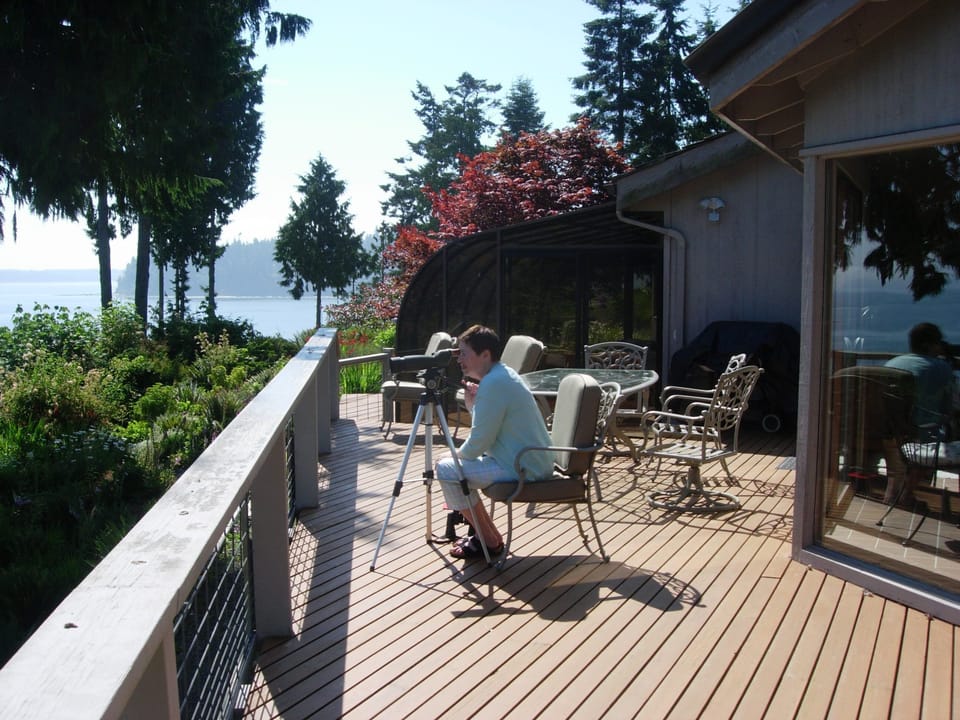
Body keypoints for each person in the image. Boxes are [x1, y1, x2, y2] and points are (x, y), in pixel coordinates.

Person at [435, 324, 553, 560]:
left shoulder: (494, 383)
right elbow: (488, 432)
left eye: (464, 353)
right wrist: (473, 405)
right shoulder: (502, 375)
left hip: (521, 466)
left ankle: (488, 541)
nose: (460, 360)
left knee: (446, 469)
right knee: (450, 465)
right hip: (527, 459)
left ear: (485, 354)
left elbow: (479, 442)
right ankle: (488, 538)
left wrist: (453, 455)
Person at [882, 322, 955, 503]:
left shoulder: (892, 363)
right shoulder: (940, 368)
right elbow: (951, 404)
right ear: (930, 345)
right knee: (941, 436)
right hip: (921, 434)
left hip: (890, 430)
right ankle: (906, 493)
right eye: (938, 342)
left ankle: (894, 493)